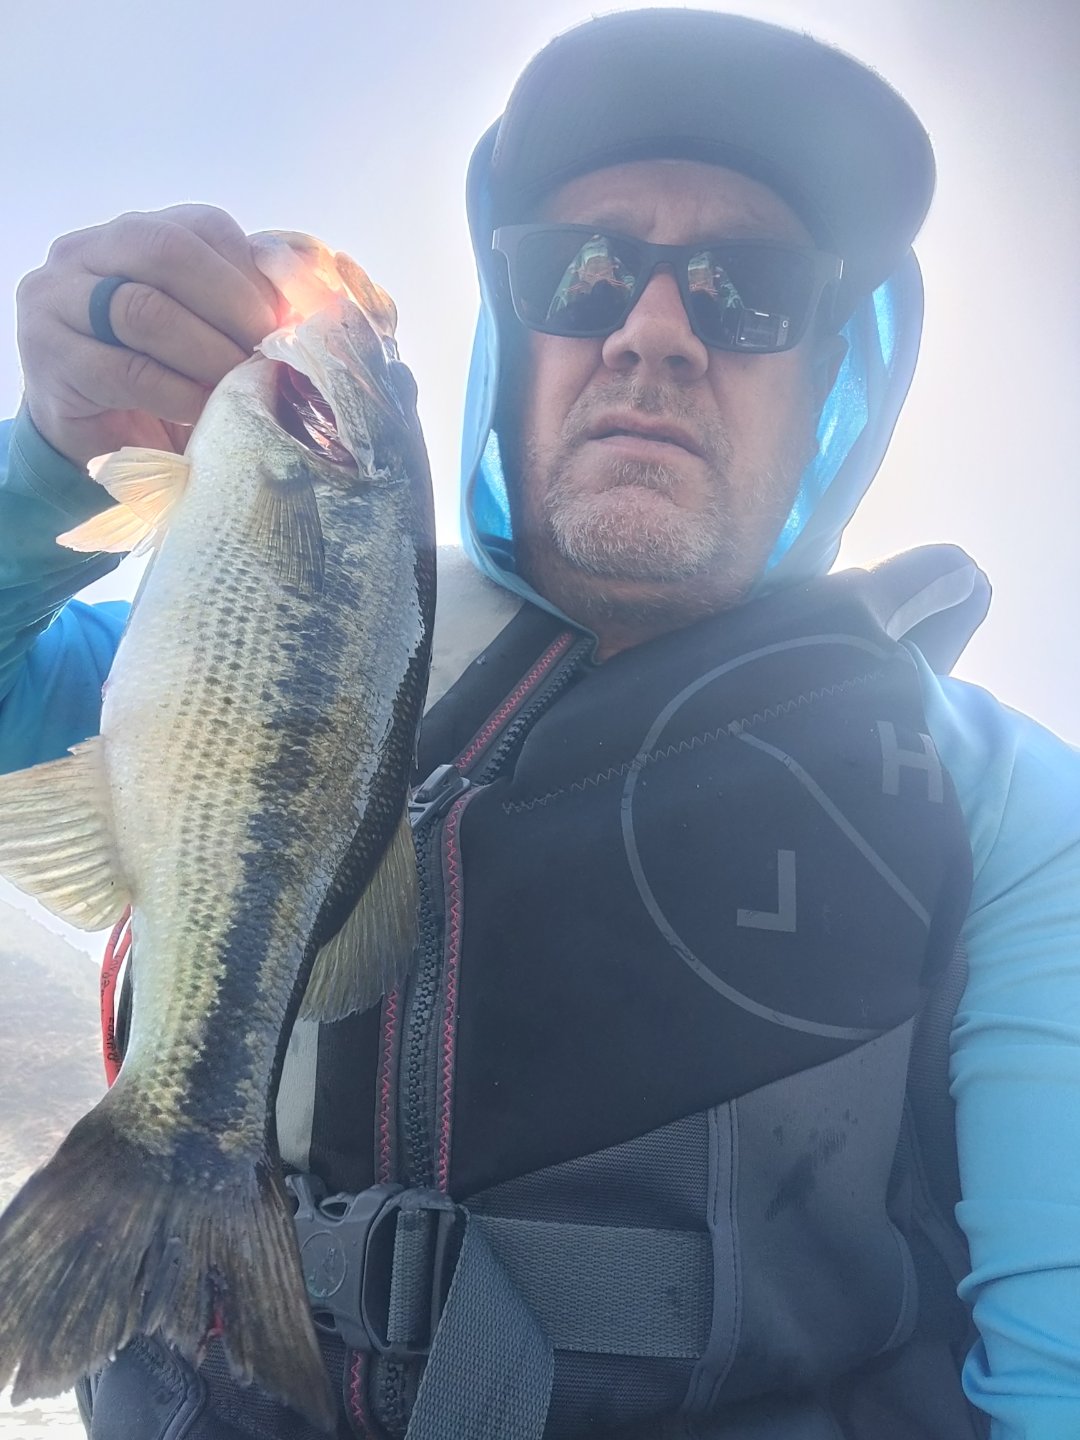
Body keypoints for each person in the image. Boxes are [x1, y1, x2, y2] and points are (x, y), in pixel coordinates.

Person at [1, 9, 1077, 1438]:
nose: (653, 333)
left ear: (836, 376)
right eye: (582, 271)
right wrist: (43, 472)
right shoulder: (261, 646)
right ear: (509, 340)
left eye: (750, 291)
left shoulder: (1006, 803)